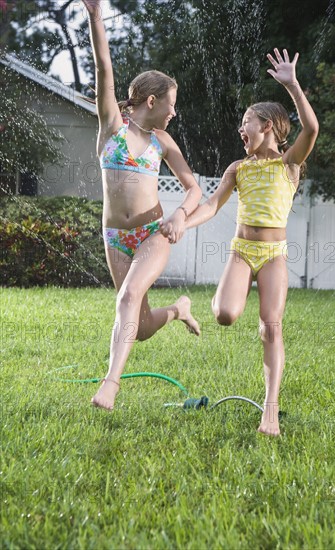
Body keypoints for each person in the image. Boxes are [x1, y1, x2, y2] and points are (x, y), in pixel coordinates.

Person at [162, 49, 319, 436]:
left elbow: (311, 130)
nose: (240, 128)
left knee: (272, 327)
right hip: (241, 252)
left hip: (273, 255)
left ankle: (270, 410)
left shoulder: (289, 165)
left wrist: (293, 85)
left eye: (245, 121)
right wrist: (183, 219)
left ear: (267, 125)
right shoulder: (239, 167)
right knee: (226, 315)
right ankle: (229, 292)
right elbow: (212, 205)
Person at [81, 0, 202, 411]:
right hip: (115, 235)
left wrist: (181, 214)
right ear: (151, 101)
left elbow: (194, 188)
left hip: (153, 232)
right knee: (144, 324)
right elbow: (103, 71)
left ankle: (110, 384)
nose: (175, 110)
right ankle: (179, 309)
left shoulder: (163, 143)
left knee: (127, 296)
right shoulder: (112, 127)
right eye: (171, 102)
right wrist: (96, 17)